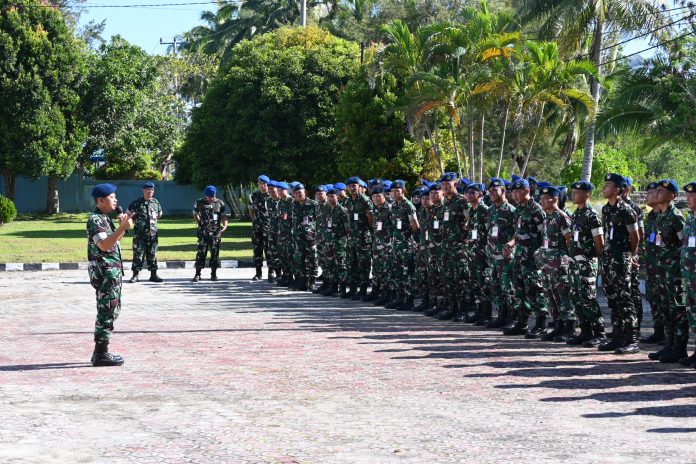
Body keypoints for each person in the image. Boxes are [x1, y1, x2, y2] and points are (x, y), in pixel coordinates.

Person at [87, 183, 134, 367]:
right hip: (105, 272)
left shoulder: (105, 218)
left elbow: (113, 242)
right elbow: (104, 246)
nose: (116, 200)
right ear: (100, 200)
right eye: (112, 197)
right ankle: (101, 353)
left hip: (111, 271)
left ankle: (100, 352)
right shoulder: (95, 220)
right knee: (106, 310)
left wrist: (121, 227)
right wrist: (121, 228)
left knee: (111, 309)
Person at [597, 173, 640, 354]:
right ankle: (617, 336)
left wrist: (630, 255)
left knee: (625, 299)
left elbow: (635, 237)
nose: (604, 188)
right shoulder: (606, 209)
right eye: (604, 184)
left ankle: (632, 339)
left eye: (608, 185)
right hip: (608, 259)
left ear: (617, 189)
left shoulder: (626, 210)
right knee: (612, 299)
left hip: (621, 259)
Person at [646, 179, 687, 363]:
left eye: (662, 191)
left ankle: (679, 348)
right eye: (657, 190)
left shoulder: (676, 217)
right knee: (665, 309)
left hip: (674, 272)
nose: (658, 193)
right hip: (660, 271)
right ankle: (669, 345)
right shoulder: (659, 216)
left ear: (672, 196)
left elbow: (684, 244)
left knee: (677, 310)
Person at [503, 179, 549, 336]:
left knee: (534, 290)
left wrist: (541, 257)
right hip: (519, 256)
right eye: (513, 192)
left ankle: (541, 323)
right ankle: (522, 322)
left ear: (527, 191)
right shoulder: (519, 210)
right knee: (520, 290)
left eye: (518, 192)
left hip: (532, 258)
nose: (514, 195)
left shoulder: (536, 210)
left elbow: (545, 235)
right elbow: (518, 233)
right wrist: (510, 243)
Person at [565, 181, 606, 347]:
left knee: (588, 297)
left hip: (587, 263)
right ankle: (585, 331)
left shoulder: (592, 216)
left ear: (587, 195)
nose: (573, 195)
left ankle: (599, 333)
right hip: (575, 263)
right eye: (572, 192)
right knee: (577, 297)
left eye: (577, 192)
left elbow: (599, 242)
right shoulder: (576, 214)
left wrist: (593, 260)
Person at [536, 186, 575, 341]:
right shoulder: (547, 217)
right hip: (547, 264)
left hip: (559, 263)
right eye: (541, 198)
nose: (542, 201)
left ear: (555, 199)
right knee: (550, 296)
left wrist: (566, 259)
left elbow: (569, 239)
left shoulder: (561, 217)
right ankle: (558, 326)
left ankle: (569, 327)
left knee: (563, 295)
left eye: (546, 198)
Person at [436, 172, 470, 320]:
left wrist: (465, 239)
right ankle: (452, 308)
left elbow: (470, 219)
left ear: (455, 184)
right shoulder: (445, 202)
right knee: (448, 278)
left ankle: (463, 310)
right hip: (446, 246)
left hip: (459, 247)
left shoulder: (462, 201)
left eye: (447, 184)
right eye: (443, 184)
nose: (444, 187)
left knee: (460, 278)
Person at [485, 178, 517, 328]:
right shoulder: (490, 210)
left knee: (508, 287)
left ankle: (513, 317)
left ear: (503, 191)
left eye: (494, 190)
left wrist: (510, 244)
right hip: (492, 256)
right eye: (490, 191)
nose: (491, 193)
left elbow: (517, 233)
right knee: (495, 286)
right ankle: (501, 315)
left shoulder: (511, 211)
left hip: (506, 257)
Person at [386, 180, 419, 311]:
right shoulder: (393, 206)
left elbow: (415, 226)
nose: (394, 193)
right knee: (397, 272)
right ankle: (400, 298)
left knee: (407, 273)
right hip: (396, 245)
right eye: (392, 191)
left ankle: (409, 300)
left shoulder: (408, 205)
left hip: (406, 244)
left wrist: (406, 236)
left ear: (403, 191)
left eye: (397, 191)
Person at [641, 182, 666, 344]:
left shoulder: (666, 216)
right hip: (651, 266)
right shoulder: (650, 216)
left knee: (665, 301)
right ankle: (658, 331)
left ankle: (668, 335)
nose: (648, 196)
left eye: (651, 193)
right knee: (653, 298)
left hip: (664, 267)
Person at [343, 176, 374, 299]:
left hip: (363, 238)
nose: (352, 188)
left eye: (354, 186)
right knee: (351, 263)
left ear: (359, 186)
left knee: (363, 265)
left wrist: (369, 232)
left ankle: (363, 290)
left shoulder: (365, 201)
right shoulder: (348, 201)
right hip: (352, 238)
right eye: (350, 186)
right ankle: (352, 288)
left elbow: (370, 219)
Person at [127, 182, 163, 283]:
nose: (150, 191)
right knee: (138, 255)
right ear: (143, 190)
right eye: (147, 189)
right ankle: (135, 275)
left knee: (153, 254)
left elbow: (159, 214)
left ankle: (153, 275)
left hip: (153, 235)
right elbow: (127, 214)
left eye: (152, 189)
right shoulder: (136, 202)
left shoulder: (155, 202)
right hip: (140, 235)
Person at [192, 185, 228, 282]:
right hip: (203, 232)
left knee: (215, 253)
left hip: (215, 232)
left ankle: (213, 274)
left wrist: (225, 226)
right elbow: (195, 214)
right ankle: (197, 274)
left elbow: (224, 216)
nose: (211, 198)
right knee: (201, 253)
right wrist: (199, 223)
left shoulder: (220, 203)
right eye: (209, 196)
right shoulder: (199, 202)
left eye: (212, 196)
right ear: (205, 195)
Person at [321, 188, 350, 296]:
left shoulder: (342, 210)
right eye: (329, 196)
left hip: (340, 242)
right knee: (331, 264)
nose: (330, 198)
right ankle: (333, 287)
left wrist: (346, 241)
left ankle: (342, 289)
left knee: (341, 265)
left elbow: (347, 228)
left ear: (337, 197)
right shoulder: (327, 210)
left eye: (333, 196)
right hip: (329, 242)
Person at [291, 183, 319, 291]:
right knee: (301, 260)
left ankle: (312, 282)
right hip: (299, 238)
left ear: (305, 192)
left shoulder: (313, 204)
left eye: (300, 192)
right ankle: (303, 282)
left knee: (313, 260)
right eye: (296, 193)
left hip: (311, 238)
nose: (298, 195)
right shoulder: (294, 204)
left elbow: (319, 220)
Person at [680, 181, 696, 367]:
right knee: (692, 313)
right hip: (689, 275)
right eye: (688, 195)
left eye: (692, 195)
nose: (688, 198)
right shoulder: (690, 219)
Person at [370, 185, 394, 305]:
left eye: (378, 196)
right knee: (377, 268)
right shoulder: (374, 209)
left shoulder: (389, 208)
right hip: (377, 243)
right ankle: (377, 291)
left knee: (387, 269)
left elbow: (394, 226)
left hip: (387, 244)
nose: (376, 198)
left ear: (384, 195)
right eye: (374, 196)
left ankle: (388, 293)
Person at [249, 175, 271, 281]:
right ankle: (258, 273)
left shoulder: (272, 195)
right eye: (260, 184)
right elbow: (251, 210)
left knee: (269, 251)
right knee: (257, 251)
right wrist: (255, 221)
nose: (262, 186)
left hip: (269, 228)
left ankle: (271, 273)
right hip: (257, 229)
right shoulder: (253, 196)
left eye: (264, 184)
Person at [276, 182, 295, 287]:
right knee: (283, 256)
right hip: (282, 234)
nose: (279, 192)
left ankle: (292, 277)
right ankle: (286, 275)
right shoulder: (280, 202)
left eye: (281, 190)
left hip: (290, 234)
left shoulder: (292, 201)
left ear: (286, 190)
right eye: (278, 190)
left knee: (291, 256)